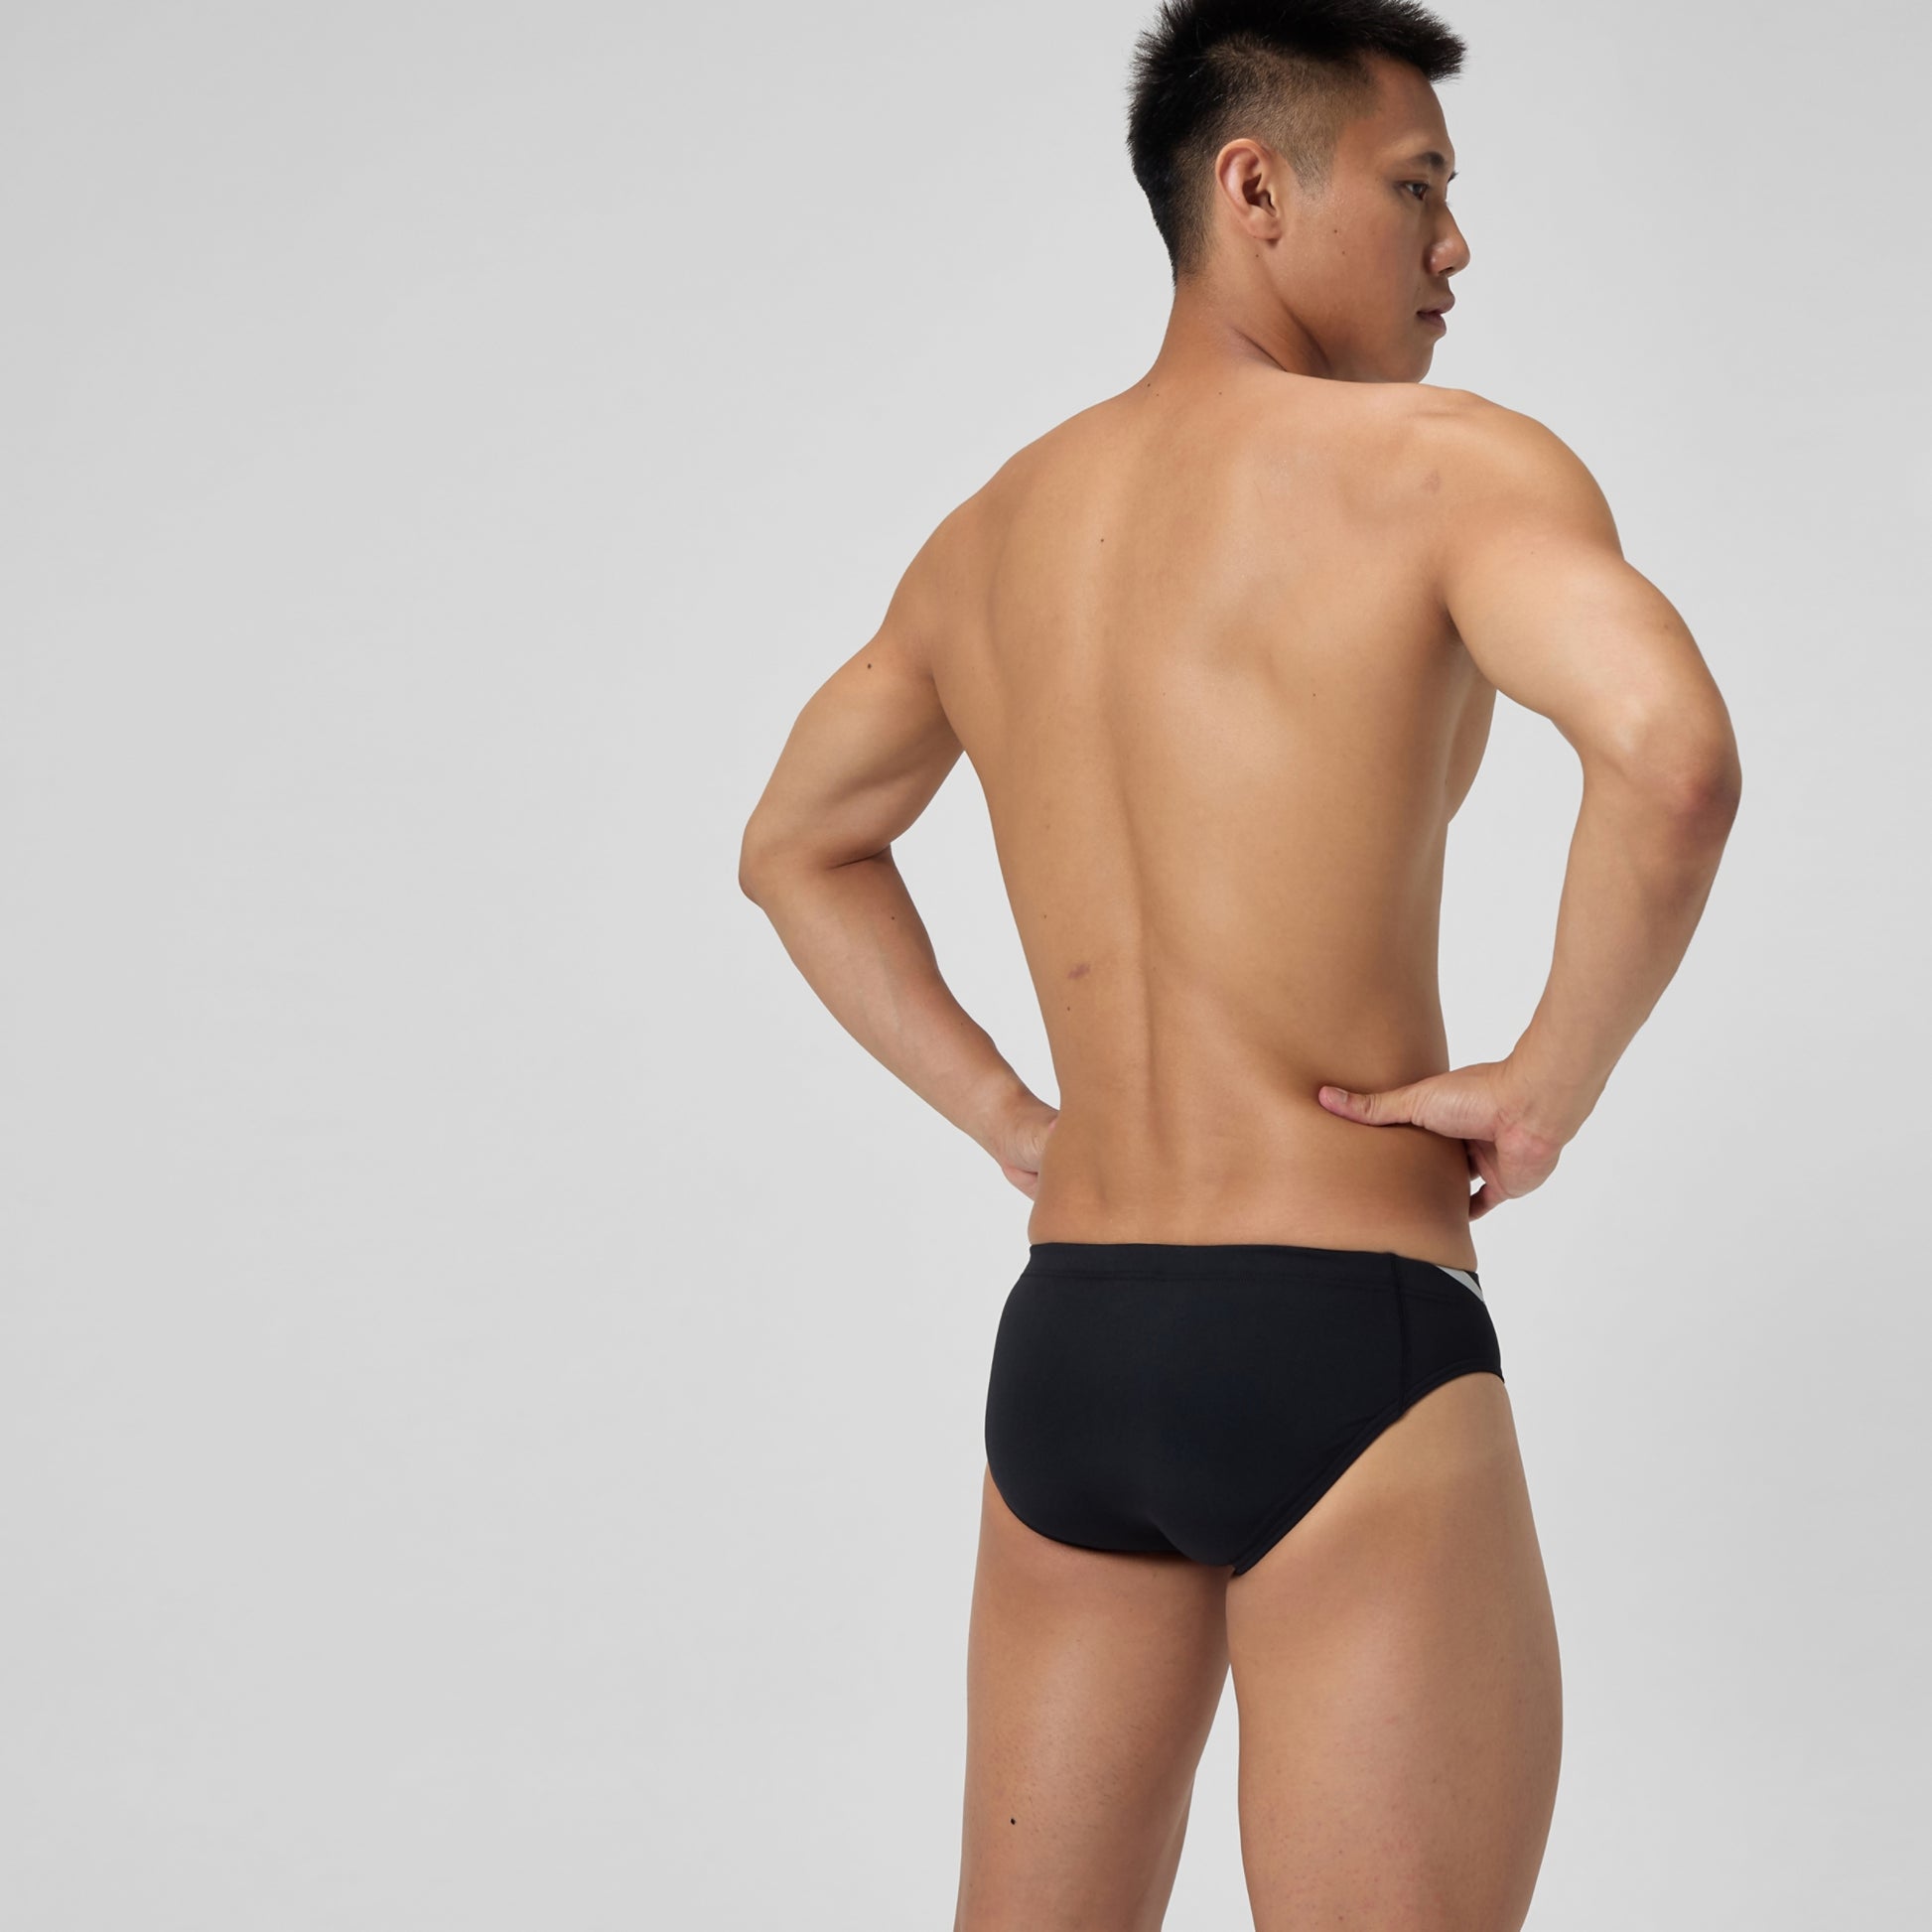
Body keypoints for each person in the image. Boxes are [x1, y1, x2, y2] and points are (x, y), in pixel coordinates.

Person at [737, 0, 1742, 1923]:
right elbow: (1670, 757)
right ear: (1253, 189)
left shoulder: (995, 530)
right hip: (1341, 1335)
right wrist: (1549, 1082)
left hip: (1072, 1345)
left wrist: (1017, 1121)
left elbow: (795, 844)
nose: (1456, 245)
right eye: (1417, 188)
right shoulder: (1445, 468)